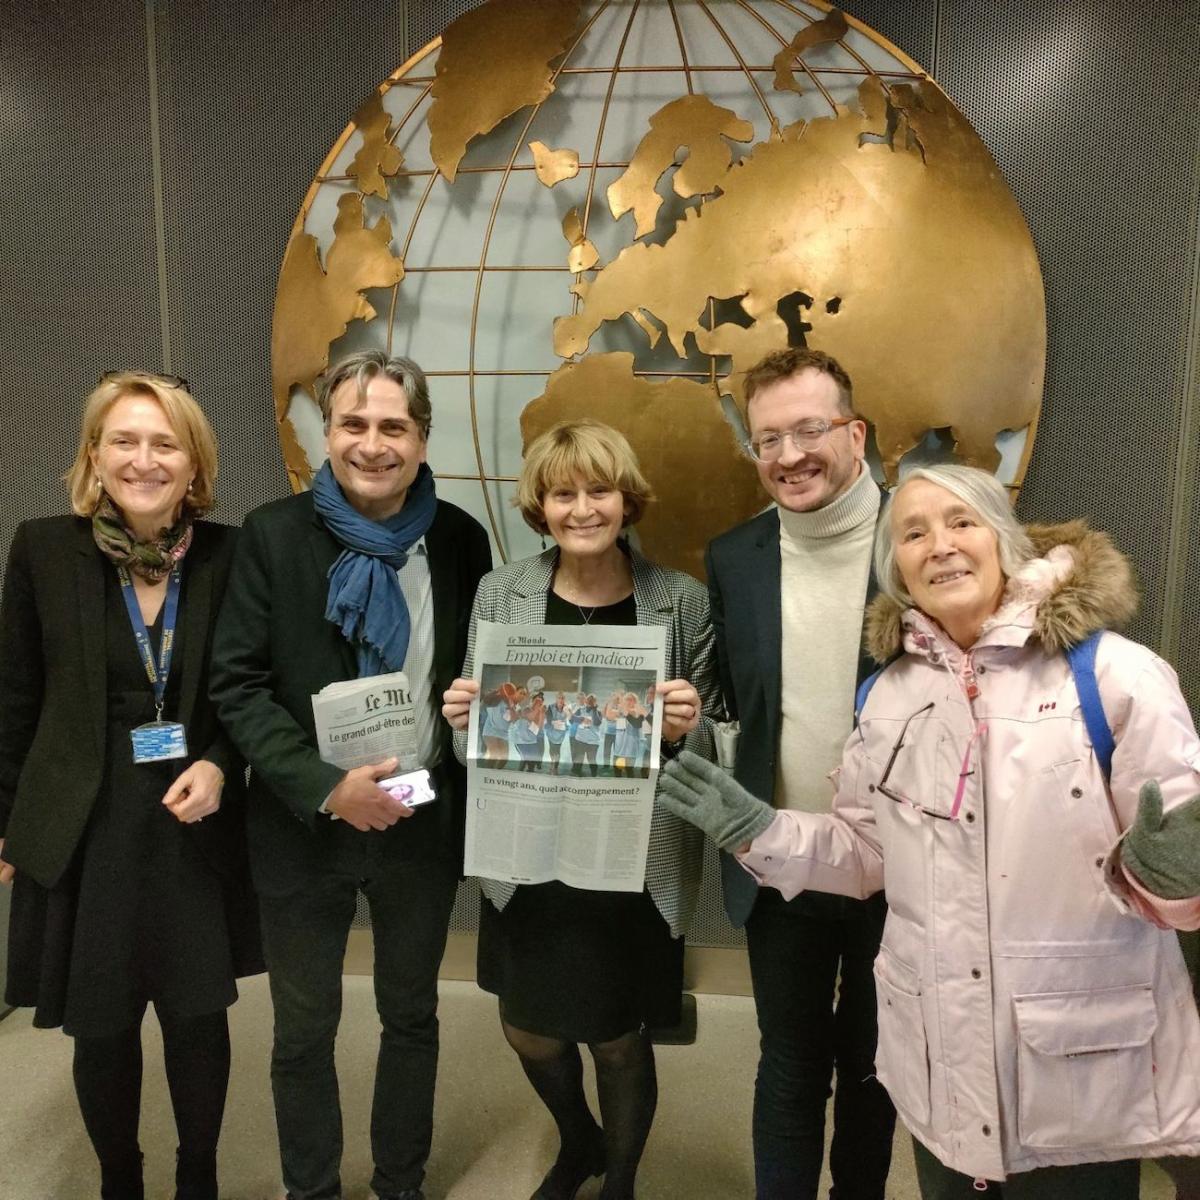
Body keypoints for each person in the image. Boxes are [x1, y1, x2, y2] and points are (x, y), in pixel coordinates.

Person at [662, 463, 1200, 1198]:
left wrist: (1170, 876)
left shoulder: (1115, 678)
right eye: (913, 533)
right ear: (898, 570)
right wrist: (759, 831)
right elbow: (863, 854)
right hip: (942, 1063)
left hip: (1078, 1074)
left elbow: (1177, 869)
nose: (938, 544)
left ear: (1004, 541)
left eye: (961, 522)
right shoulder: (888, 696)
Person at [209, 350, 491, 1200]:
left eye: (393, 427)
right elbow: (238, 684)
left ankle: (399, 1182)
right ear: (324, 431)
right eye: (354, 424)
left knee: (411, 1015)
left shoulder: (459, 539)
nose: (373, 444)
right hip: (303, 825)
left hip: (421, 817)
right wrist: (327, 786)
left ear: (422, 436)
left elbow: (482, 668)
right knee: (302, 1030)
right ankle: (313, 1189)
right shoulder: (272, 534)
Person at [0, 371, 261, 1200]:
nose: (143, 460)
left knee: (195, 1014)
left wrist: (222, 760)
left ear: (194, 464)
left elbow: (252, 686)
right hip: (86, 817)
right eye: (125, 440)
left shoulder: (230, 555)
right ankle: (121, 1178)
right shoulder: (42, 547)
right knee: (101, 1019)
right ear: (94, 453)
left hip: (195, 813)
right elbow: (15, 694)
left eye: (164, 443)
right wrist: (5, 819)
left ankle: (198, 1176)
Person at [441, 419, 718, 1200]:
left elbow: (718, 732)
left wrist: (687, 728)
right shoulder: (503, 592)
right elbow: (473, 741)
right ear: (541, 505)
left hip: (630, 859)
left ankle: (620, 1182)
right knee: (527, 1026)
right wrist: (463, 721)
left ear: (627, 500)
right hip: (527, 852)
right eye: (563, 493)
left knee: (618, 1037)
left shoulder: (680, 602)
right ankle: (580, 1142)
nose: (582, 508)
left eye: (598, 490)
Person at [705, 347, 895, 1198]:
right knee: (787, 1062)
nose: (789, 456)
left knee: (874, 1065)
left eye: (810, 430)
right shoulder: (735, 557)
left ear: (854, 435)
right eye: (768, 439)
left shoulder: (919, 542)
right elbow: (733, 698)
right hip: (780, 853)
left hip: (901, 864)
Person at [568, 690, 603, 777]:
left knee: (591, 759)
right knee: (579, 759)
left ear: (595, 702)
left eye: (592, 701)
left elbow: (597, 722)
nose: (590, 702)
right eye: (589, 700)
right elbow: (571, 720)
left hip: (593, 741)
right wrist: (581, 719)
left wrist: (594, 708)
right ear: (586, 701)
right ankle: (576, 774)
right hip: (581, 739)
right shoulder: (581, 709)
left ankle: (594, 775)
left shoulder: (598, 711)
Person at [515, 691, 547, 771]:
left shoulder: (542, 711)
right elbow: (528, 719)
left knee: (537, 756)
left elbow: (539, 727)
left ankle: (534, 767)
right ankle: (522, 771)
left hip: (537, 736)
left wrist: (542, 714)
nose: (538, 703)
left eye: (540, 702)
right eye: (536, 701)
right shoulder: (526, 709)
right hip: (525, 739)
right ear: (533, 701)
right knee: (525, 758)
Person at [545, 692, 573, 774]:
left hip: (560, 732)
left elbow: (571, 720)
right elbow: (548, 719)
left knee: (557, 749)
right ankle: (552, 761)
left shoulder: (567, 708)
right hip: (551, 731)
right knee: (552, 749)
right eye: (559, 698)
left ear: (564, 699)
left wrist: (569, 713)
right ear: (556, 699)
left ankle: (555, 767)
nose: (561, 700)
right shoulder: (550, 707)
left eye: (562, 698)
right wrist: (555, 723)